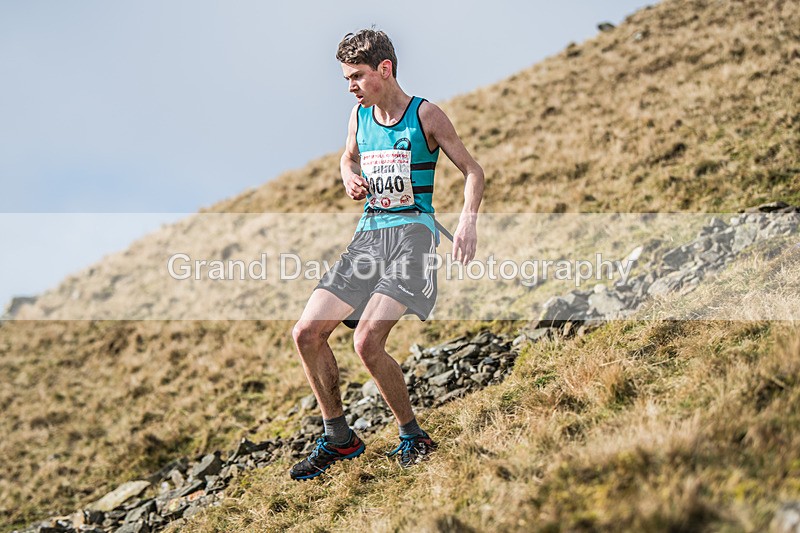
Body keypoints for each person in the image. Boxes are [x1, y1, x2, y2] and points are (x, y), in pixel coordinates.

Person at [289, 28, 484, 481]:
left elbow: (473, 170)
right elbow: (347, 157)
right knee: (305, 333)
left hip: (412, 240)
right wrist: (347, 176)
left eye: (356, 76)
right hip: (368, 239)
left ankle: (413, 435)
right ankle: (339, 439)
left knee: (366, 343)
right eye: (345, 79)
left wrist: (467, 221)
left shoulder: (426, 115)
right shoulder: (358, 117)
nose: (351, 86)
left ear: (385, 69)